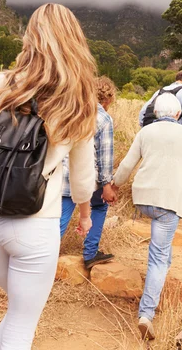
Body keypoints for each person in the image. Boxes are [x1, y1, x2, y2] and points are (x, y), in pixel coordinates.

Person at [0, 3, 98, 350]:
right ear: (74, 41)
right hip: (34, 224)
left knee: (17, 313)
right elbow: (82, 180)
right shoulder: (77, 97)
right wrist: (83, 214)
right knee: (22, 321)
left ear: (29, 37)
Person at [113, 93, 182, 341]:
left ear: (156, 113)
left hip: (142, 199)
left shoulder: (145, 132)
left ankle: (159, 284)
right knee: (158, 257)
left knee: (163, 254)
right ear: (177, 114)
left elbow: (126, 164)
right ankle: (146, 313)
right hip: (167, 202)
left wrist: (114, 185)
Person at [60, 76, 117, 269]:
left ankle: (41, 257)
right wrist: (107, 184)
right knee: (99, 206)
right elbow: (105, 156)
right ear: (108, 99)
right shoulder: (103, 118)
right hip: (86, 175)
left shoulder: (69, 111)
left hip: (62, 174)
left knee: (59, 219)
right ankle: (90, 252)